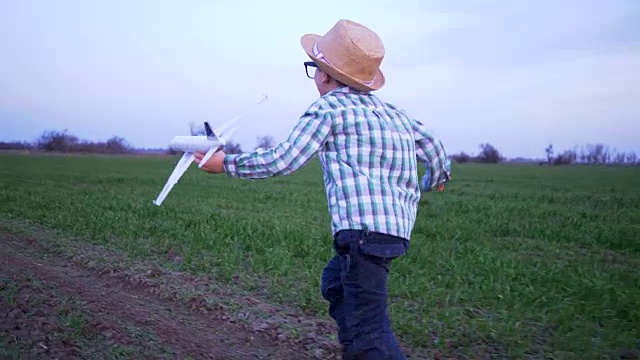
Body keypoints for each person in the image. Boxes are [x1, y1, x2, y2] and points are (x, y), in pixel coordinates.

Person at [194, 19, 451, 360]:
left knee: (370, 330)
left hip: (361, 234)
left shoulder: (328, 108)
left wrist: (225, 164)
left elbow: (284, 159)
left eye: (313, 68)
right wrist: (434, 179)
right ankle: (357, 349)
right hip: (394, 234)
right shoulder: (395, 113)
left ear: (324, 75)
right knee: (334, 282)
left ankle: (362, 351)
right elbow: (433, 145)